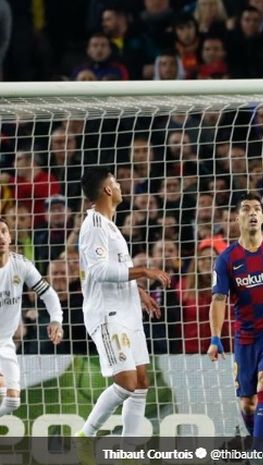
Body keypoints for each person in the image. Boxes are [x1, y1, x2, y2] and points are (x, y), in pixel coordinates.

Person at [76, 168, 170, 442]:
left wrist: (138, 291)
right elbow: (99, 271)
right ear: (107, 190)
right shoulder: (93, 224)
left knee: (141, 383)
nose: (119, 186)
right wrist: (144, 271)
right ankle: (85, 435)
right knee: (127, 382)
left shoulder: (110, 225)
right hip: (108, 314)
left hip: (127, 310)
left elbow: (116, 269)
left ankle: (128, 451)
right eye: (115, 182)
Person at [208, 193, 263, 445]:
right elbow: (218, 299)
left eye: (257, 209)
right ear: (237, 217)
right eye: (246, 209)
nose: (252, 212)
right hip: (245, 339)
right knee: (248, 404)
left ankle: (259, 451)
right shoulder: (227, 259)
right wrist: (215, 337)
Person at [0, 218, 62, 416]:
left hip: (5, 342)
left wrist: (56, 320)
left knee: (12, 402)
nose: (0, 236)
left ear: (10, 237)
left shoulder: (22, 265)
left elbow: (49, 294)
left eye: (3, 231)